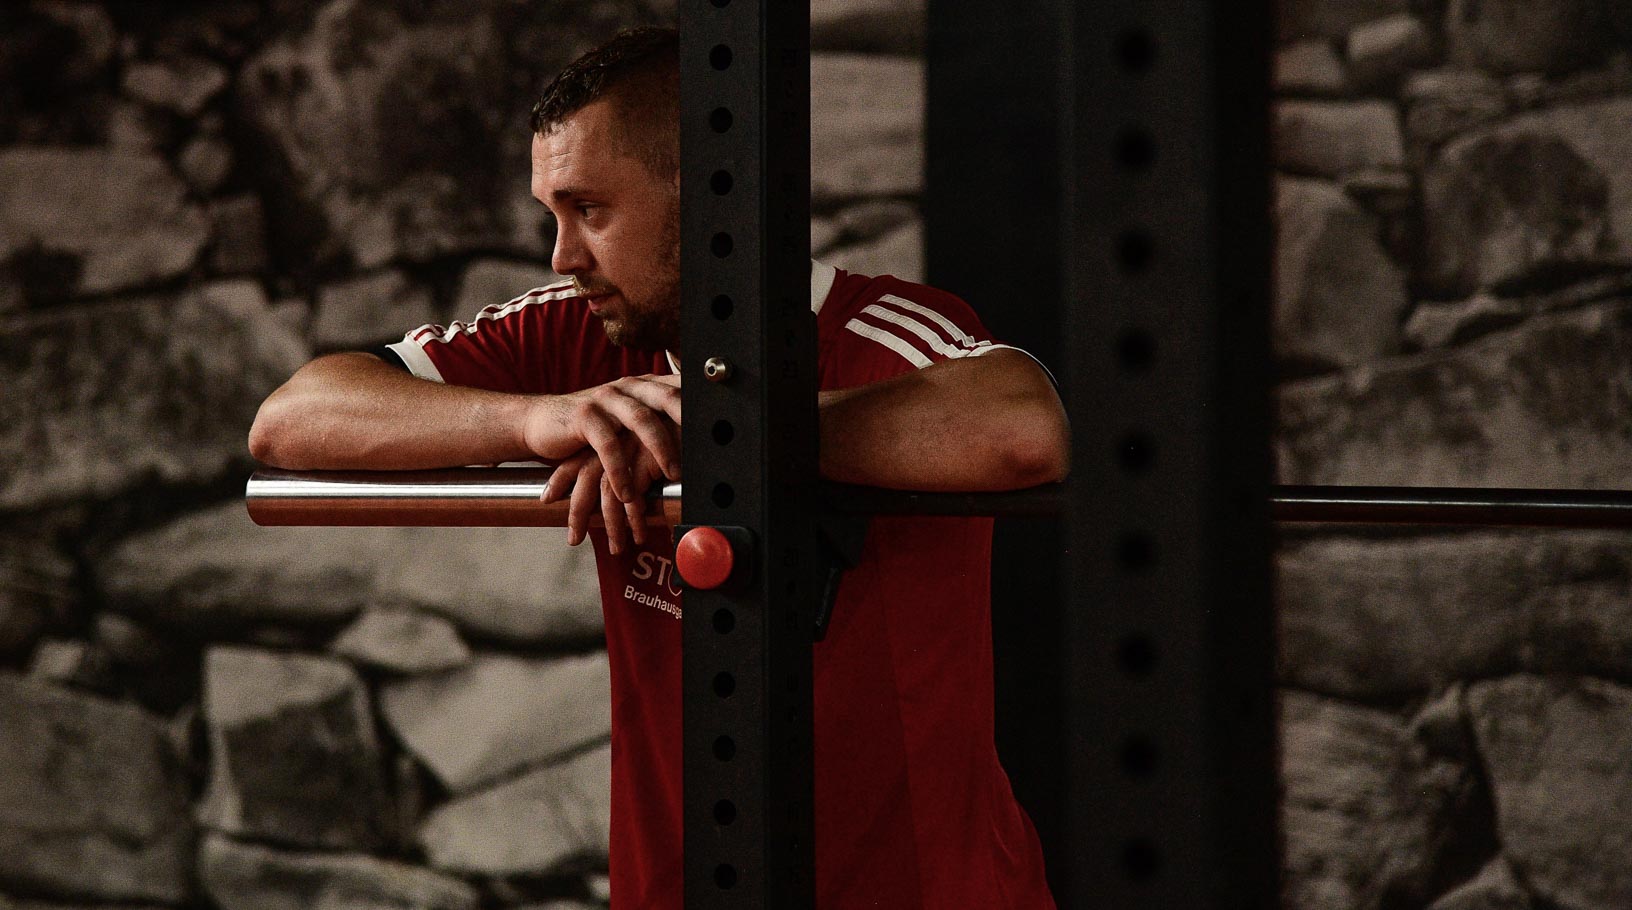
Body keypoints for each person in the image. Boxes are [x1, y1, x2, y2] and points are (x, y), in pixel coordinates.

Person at [249, 26, 1067, 909]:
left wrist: (714, 434)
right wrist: (540, 418)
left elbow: (1022, 429)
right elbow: (291, 421)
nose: (562, 256)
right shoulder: (572, 333)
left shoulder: (887, 332)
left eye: (590, 211)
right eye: (552, 215)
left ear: (711, 196)